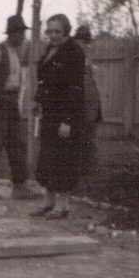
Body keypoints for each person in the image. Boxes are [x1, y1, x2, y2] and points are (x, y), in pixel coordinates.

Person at [0, 14, 40, 201]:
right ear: (11, 34)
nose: (22, 37)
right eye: (20, 33)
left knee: (17, 145)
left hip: (11, 103)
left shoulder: (16, 53)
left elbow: (16, 82)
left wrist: (18, 104)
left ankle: (20, 186)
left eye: (23, 33)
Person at [31, 13, 86, 220]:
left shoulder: (74, 52)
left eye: (57, 31)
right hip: (49, 113)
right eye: (50, 31)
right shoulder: (48, 51)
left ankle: (63, 206)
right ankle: (48, 201)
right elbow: (43, 81)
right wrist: (37, 100)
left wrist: (67, 121)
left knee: (64, 159)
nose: (53, 35)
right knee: (47, 157)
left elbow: (75, 89)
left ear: (66, 32)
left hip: (65, 114)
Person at [72, 25, 102, 187]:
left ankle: (89, 168)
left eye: (86, 42)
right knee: (79, 134)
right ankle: (78, 168)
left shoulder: (88, 60)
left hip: (90, 100)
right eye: (81, 41)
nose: (84, 45)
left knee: (90, 134)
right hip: (79, 102)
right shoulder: (72, 57)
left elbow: (91, 83)